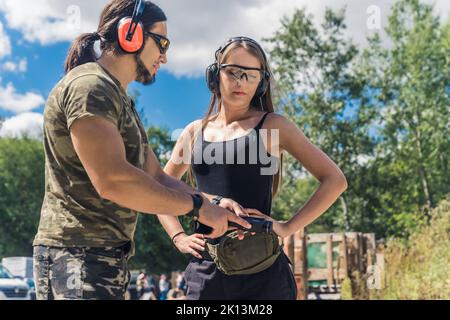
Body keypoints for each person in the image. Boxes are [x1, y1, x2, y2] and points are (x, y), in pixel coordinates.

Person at [32, 0, 250, 301]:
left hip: (98, 256)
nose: (165, 56)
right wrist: (197, 208)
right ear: (130, 33)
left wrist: (213, 202)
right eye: (162, 43)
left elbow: (156, 177)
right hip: (77, 256)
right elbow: (112, 180)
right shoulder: (90, 88)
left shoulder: (117, 98)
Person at [158, 37, 348, 299]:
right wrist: (178, 236)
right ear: (215, 75)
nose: (241, 81)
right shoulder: (194, 132)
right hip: (206, 272)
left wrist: (286, 227)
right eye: (233, 71)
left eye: (251, 74)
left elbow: (335, 180)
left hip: (263, 274)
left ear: (262, 82)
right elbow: (161, 188)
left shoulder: (273, 126)